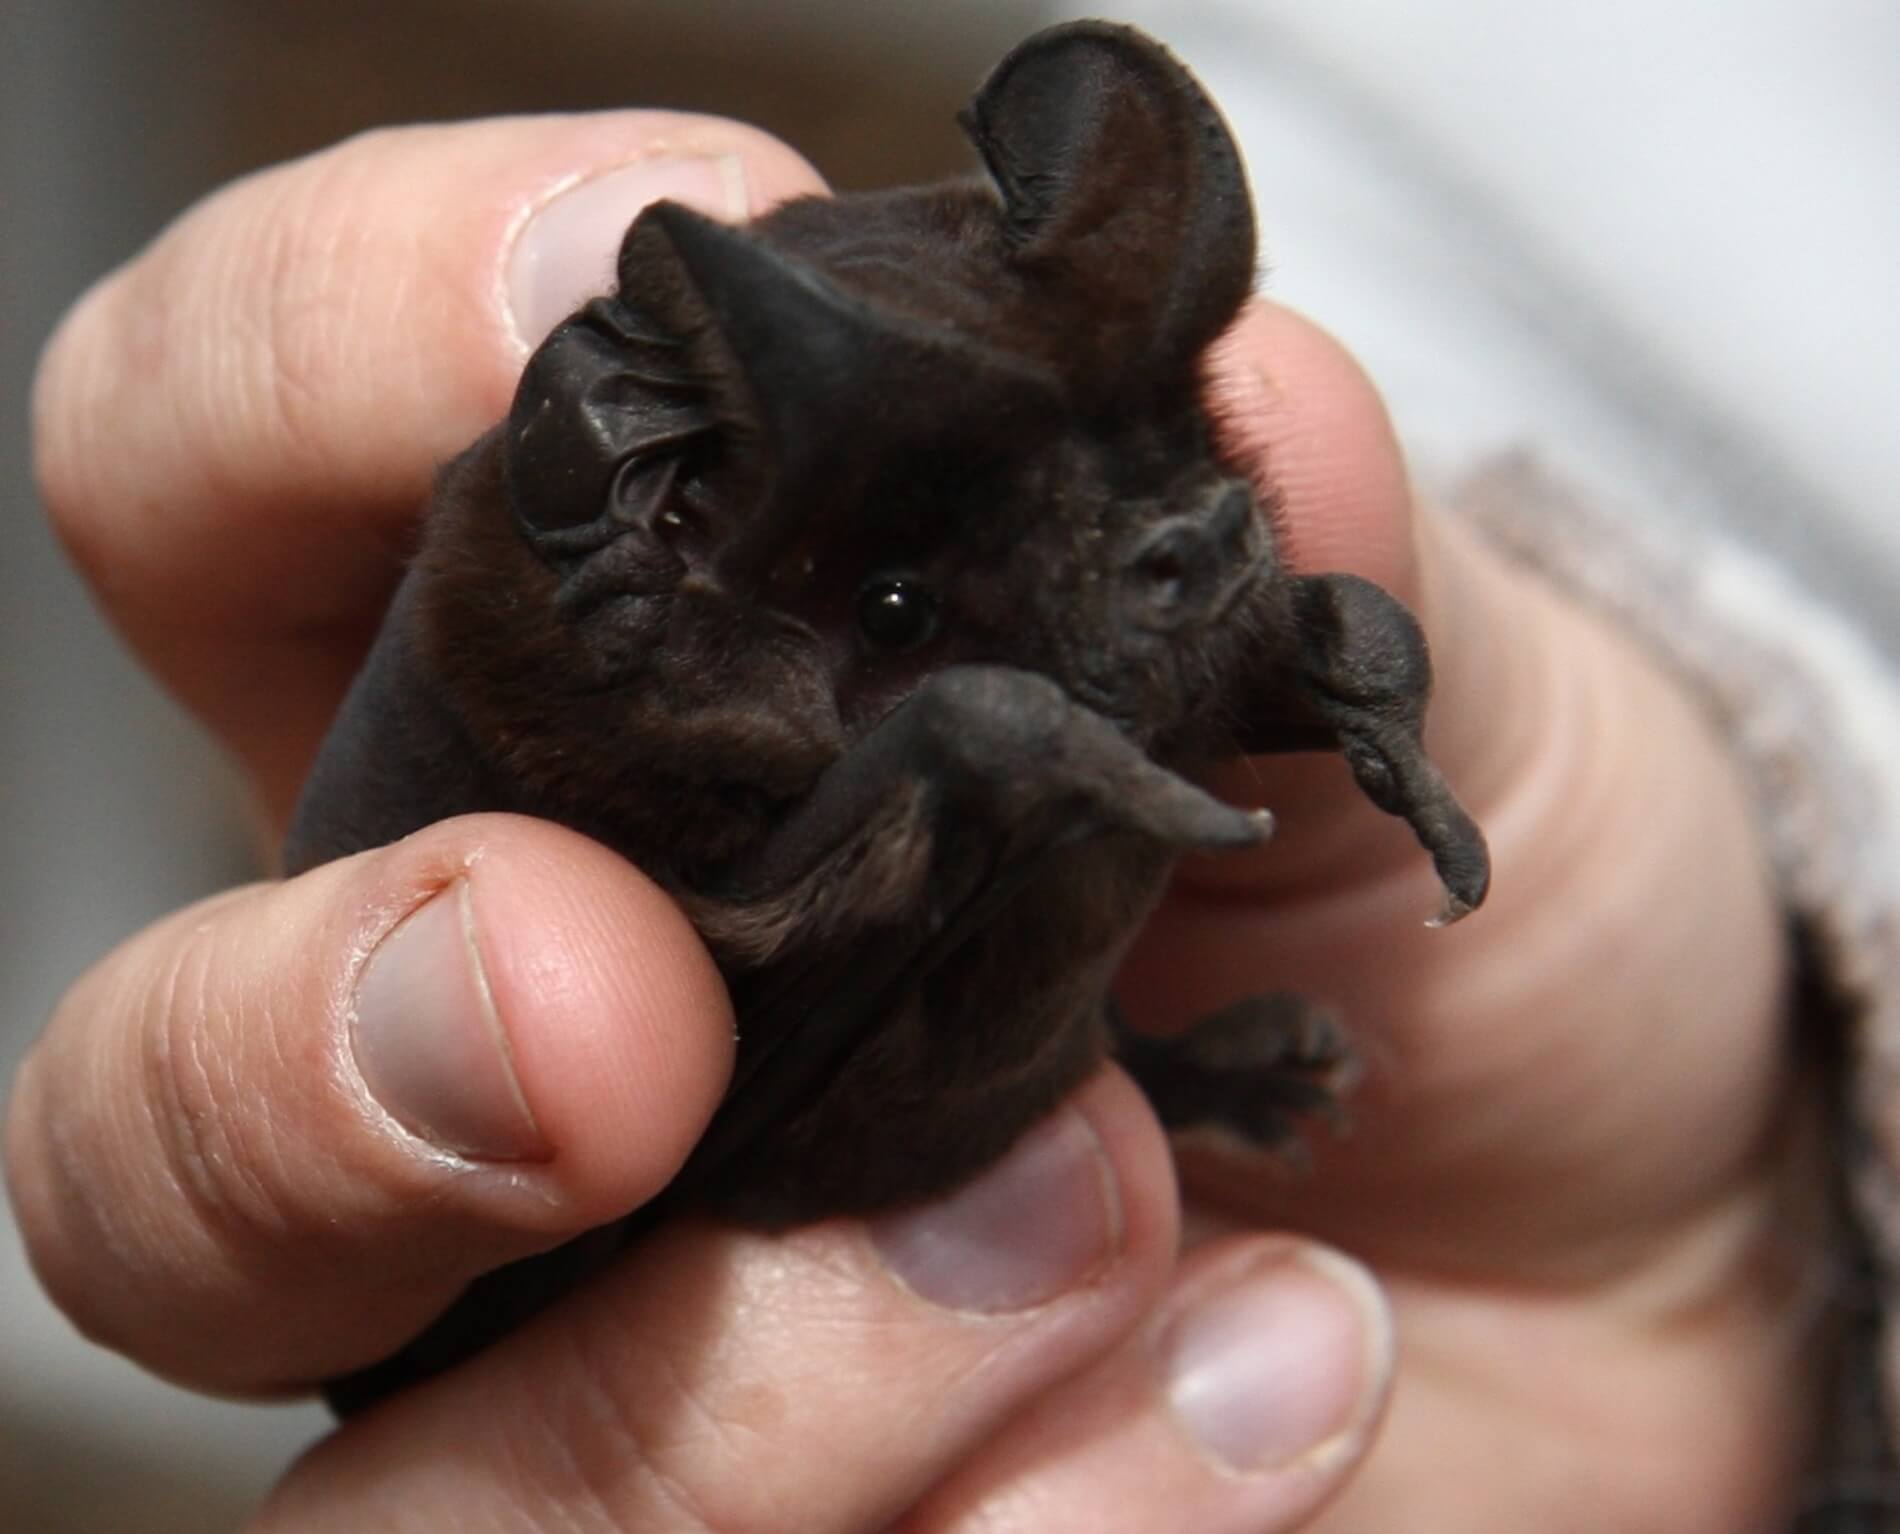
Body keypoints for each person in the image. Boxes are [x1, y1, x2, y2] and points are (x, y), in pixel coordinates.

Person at [7, 107, 1872, 1531]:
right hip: (782, 1059)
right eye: (905, 604)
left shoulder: (1115, 601)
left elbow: (1206, 649)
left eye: (1171, 450)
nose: (1192, 530)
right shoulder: (775, 713)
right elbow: (972, 730)